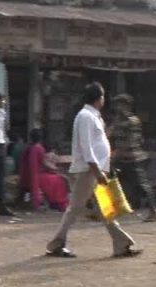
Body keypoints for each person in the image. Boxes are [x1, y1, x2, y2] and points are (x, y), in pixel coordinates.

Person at [46, 83, 142, 259]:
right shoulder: (85, 117)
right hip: (88, 170)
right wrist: (97, 171)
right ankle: (56, 244)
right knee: (75, 208)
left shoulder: (94, 116)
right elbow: (87, 147)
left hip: (96, 170)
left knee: (105, 208)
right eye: (103, 97)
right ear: (99, 98)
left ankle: (121, 244)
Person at [111, 94, 156, 222]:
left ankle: (153, 210)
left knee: (142, 185)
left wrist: (117, 154)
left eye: (120, 105)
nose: (118, 108)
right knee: (116, 182)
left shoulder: (132, 121)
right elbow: (110, 133)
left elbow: (131, 141)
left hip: (133, 158)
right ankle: (116, 209)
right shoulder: (118, 120)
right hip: (121, 158)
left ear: (127, 106)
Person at [19, 129, 69, 212]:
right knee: (60, 180)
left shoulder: (29, 148)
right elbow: (45, 164)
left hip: (28, 176)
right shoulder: (38, 148)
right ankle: (59, 202)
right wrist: (57, 169)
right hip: (38, 176)